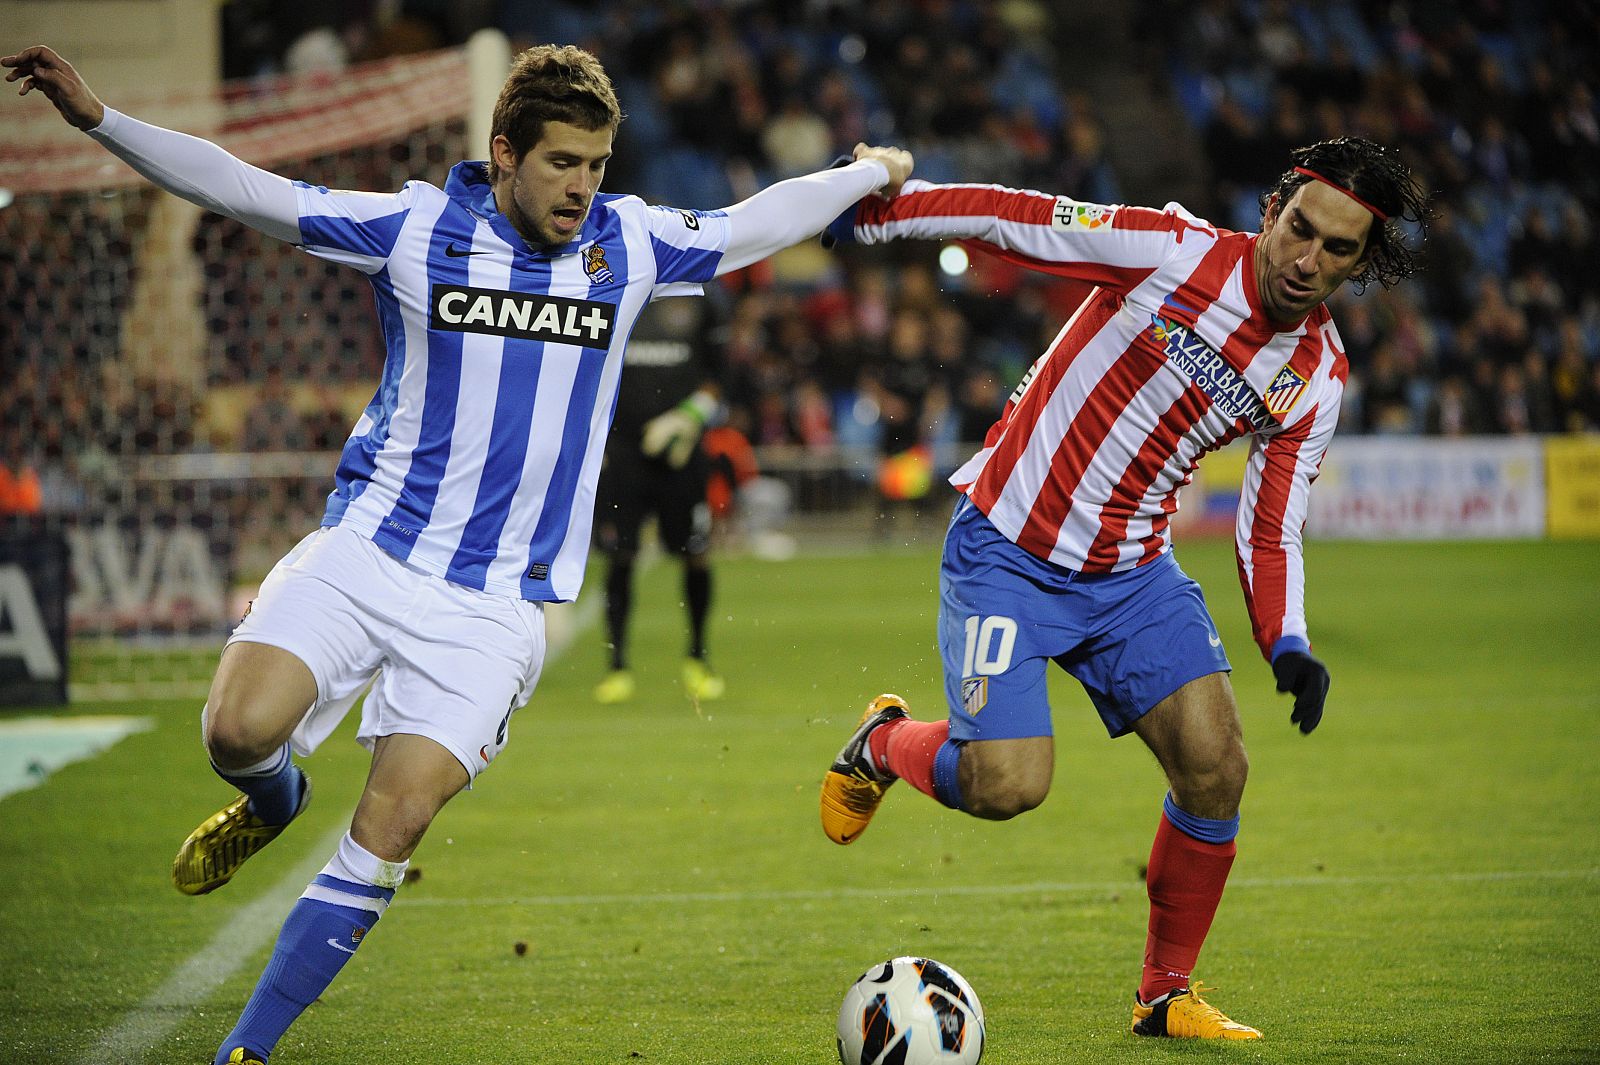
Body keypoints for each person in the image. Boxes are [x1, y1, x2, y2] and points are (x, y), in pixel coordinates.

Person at [4, 43, 912, 1065]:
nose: (583, 186)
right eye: (563, 162)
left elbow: (762, 222)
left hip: (492, 610)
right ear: (505, 152)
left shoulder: (630, 247)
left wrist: (870, 171)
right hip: (369, 552)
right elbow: (252, 192)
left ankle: (246, 1051)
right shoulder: (417, 229)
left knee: (393, 824)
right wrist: (99, 118)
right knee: (234, 729)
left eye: (599, 165)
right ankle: (274, 795)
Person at [817, 138, 1428, 1040]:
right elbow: (1019, 221)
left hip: (1132, 577)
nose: (1308, 261)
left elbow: (1270, 522)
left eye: (1338, 250)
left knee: (1218, 768)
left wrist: (1288, 640)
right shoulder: (1172, 251)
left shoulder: (1314, 377)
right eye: (1301, 230)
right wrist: (878, 211)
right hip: (1009, 550)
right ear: (1272, 209)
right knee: (1005, 785)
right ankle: (883, 744)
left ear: (1362, 261)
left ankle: (1165, 994)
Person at [592, 294, 727, 704]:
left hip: (682, 453)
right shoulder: (615, 285)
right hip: (623, 453)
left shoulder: (704, 298)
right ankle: (617, 667)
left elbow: (720, 378)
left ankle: (698, 658)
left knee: (695, 553)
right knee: (621, 554)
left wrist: (687, 418)